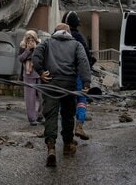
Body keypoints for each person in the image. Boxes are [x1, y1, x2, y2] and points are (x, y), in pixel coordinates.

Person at [32, 23, 91, 167]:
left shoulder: (47, 42)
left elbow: (36, 55)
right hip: (69, 85)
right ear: (68, 32)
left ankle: (51, 148)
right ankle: (67, 146)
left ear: (55, 32)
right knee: (68, 116)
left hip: (51, 83)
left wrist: (41, 72)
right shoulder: (76, 44)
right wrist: (86, 82)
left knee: (51, 115)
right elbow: (83, 62)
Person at [62, 10, 96, 140]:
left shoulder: (55, 37)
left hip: (62, 75)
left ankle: (67, 138)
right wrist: (90, 64)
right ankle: (79, 126)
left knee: (65, 103)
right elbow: (85, 57)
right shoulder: (78, 37)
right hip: (77, 74)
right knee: (81, 98)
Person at [18, 30, 43, 126]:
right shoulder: (23, 46)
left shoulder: (40, 45)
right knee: (30, 98)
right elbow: (20, 59)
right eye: (28, 38)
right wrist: (28, 50)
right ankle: (32, 118)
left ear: (35, 38)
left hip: (40, 73)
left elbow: (42, 57)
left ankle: (41, 116)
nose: (30, 40)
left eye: (32, 38)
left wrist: (35, 48)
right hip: (28, 74)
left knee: (42, 97)